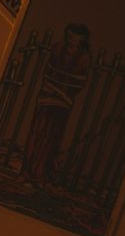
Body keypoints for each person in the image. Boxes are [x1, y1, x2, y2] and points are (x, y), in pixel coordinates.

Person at [23, 23, 92, 185]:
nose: (71, 39)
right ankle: (26, 171)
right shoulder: (57, 48)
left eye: (75, 37)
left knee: (52, 137)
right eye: (70, 35)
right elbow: (49, 72)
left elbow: (77, 82)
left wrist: (59, 86)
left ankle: (41, 174)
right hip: (46, 98)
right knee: (36, 132)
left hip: (62, 103)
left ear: (81, 40)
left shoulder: (84, 57)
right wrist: (58, 85)